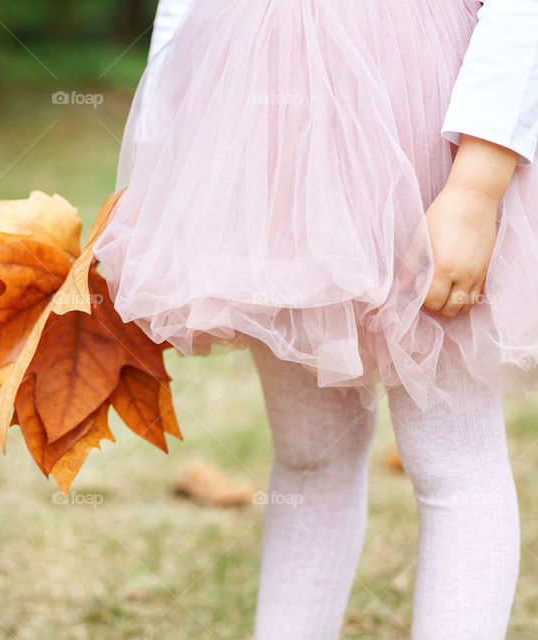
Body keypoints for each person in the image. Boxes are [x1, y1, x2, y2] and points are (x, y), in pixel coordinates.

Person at [92, 0, 538, 638]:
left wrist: (476, 186)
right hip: (268, 138)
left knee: (450, 459)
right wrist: (163, 156)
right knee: (308, 455)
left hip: (426, 122)